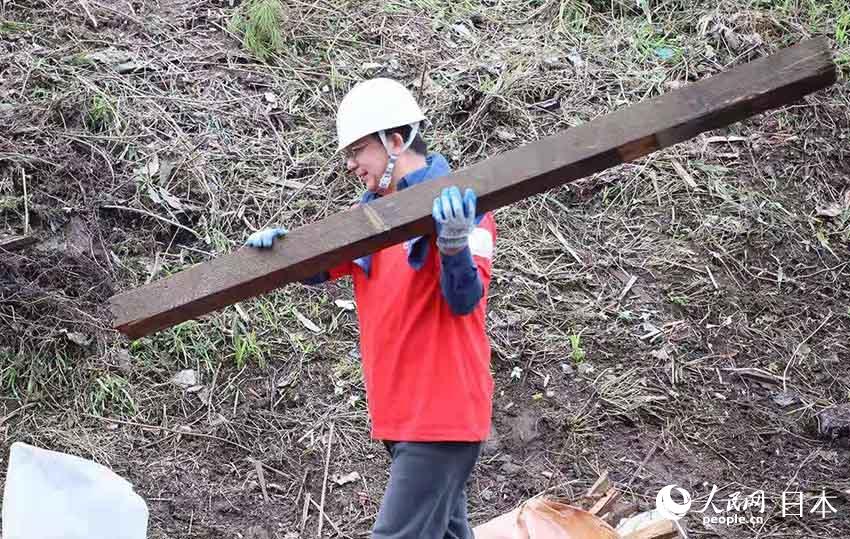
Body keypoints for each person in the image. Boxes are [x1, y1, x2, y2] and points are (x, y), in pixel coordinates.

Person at [245, 78, 496, 539]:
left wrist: (454, 245)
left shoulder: (462, 205)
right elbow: (319, 268)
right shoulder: (372, 221)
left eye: (358, 150)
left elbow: (465, 300)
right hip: (401, 414)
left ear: (395, 141)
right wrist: (280, 254)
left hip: (439, 411)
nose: (351, 165)